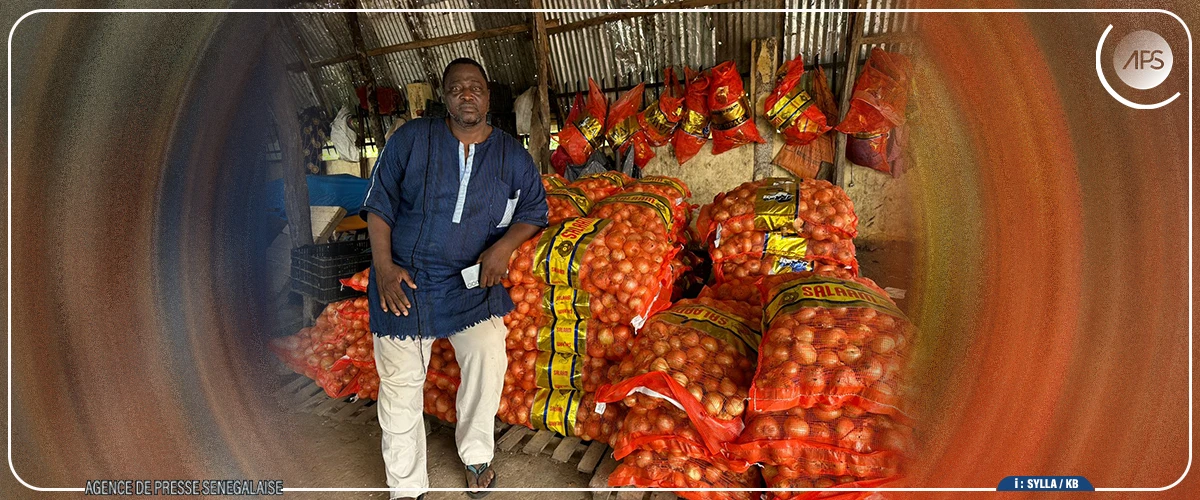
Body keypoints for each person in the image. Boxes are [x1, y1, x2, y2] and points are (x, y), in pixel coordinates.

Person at [359, 58, 548, 500]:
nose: (467, 94)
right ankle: (406, 487)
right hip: (404, 279)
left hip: (468, 283)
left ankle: (476, 452)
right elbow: (380, 205)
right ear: (445, 97)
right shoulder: (410, 139)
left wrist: (502, 249)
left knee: (489, 355)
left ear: (488, 96)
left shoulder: (510, 155)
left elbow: (534, 211)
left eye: (475, 87)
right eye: (457, 87)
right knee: (401, 382)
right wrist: (384, 269)